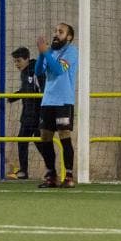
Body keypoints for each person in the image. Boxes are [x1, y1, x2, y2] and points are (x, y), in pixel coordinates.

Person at [35, 23, 78, 188]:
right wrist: (42, 54)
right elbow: (39, 71)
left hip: (63, 101)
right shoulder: (50, 52)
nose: (56, 34)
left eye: (61, 32)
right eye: (55, 31)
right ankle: (51, 174)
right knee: (45, 137)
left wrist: (45, 52)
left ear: (69, 37)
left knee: (64, 136)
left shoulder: (72, 52)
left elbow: (59, 70)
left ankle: (68, 175)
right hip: (48, 101)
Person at [7, 47, 45, 179]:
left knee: (40, 140)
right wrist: (14, 96)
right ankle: (23, 171)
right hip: (28, 113)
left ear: (27, 59)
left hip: (38, 112)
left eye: (19, 61)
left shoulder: (36, 70)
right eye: (15, 62)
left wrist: (43, 113)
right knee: (22, 140)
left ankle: (50, 169)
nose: (17, 64)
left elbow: (39, 90)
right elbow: (26, 90)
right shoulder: (24, 73)